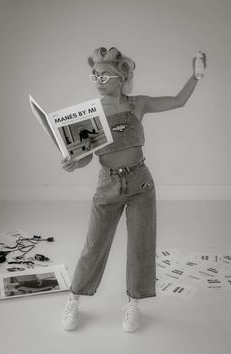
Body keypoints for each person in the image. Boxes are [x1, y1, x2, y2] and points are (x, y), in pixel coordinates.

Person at [60, 47, 207, 332]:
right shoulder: (90, 113)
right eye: (94, 75)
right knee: (94, 245)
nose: (98, 80)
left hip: (141, 183)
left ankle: (133, 303)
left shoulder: (136, 104)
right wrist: (72, 164)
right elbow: (85, 157)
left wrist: (196, 76)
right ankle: (73, 299)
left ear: (120, 78)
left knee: (140, 246)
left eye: (104, 75)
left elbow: (178, 101)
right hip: (108, 184)